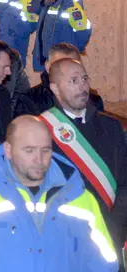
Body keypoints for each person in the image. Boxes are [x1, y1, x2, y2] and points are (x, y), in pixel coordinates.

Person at [0, 116, 118, 272]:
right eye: (29, 150)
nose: (39, 159)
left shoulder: (80, 199)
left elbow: (105, 263)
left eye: (45, 150)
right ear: (8, 150)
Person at [38, 58, 127, 248]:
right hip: (61, 238)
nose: (83, 86)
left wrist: (113, 227)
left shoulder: (111, 127)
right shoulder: (41, 131)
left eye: (85, 79)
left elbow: (124, 184)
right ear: (55, 88)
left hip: (109, 232)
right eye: (73, 81)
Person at [15, 42, 104, 117]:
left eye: (74, 65)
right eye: (60, 65)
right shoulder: (29, 101)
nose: (69, 70)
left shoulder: (94, 101)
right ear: (47, 66)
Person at [31, 0, 91, 72]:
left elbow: (83, 32)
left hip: (64, 61)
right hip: (49, 59)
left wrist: (73, 51)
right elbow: (34, 4)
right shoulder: (48, 5)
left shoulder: (72, 8)